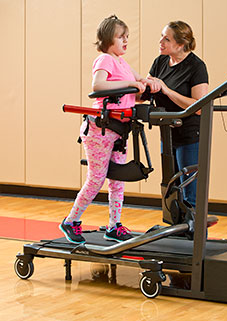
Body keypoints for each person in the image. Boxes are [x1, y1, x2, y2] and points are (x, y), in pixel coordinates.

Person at [59, 15, 159, 244]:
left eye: (127, 37)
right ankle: (71, 221)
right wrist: (132, 85)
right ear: (107, 39)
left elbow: (139, 83)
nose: (125, 41)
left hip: (119, 131)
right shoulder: (105, 59)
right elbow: (98, 86)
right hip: (100, 130)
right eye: (121, 37)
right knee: (96, 178)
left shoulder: (122, 62)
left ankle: (114, 225)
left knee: (117, 181)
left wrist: (148, 84)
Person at [146, 21, 209, 208]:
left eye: (167, 39)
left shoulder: (196, 67)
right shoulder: (160, 62)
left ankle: (194, 233)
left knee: (190, 190)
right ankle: (177, 231)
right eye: (161, 36)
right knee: (171, 189)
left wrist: (166, 90)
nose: (161, 41)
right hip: (167, 134)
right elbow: (146, 93)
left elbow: (199, 107)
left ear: (180, 44)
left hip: (189, 135)